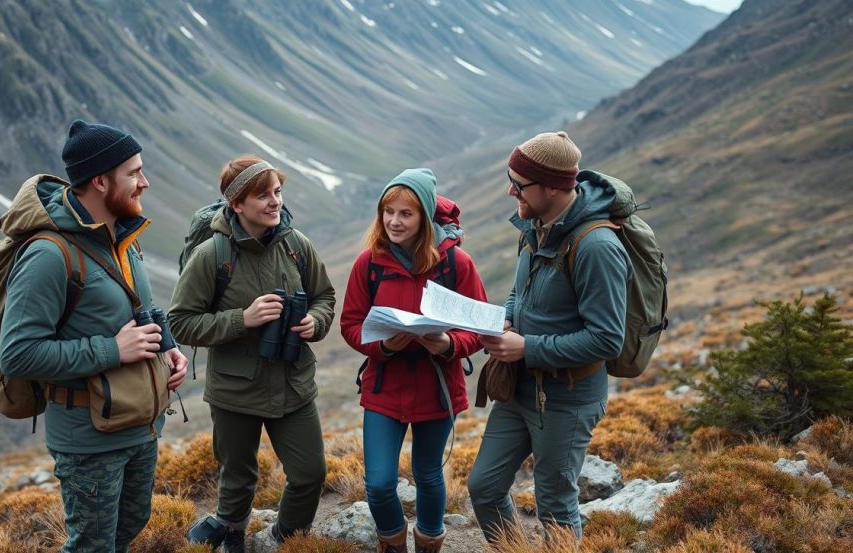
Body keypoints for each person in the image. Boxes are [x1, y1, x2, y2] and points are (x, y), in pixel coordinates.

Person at [0, 119, 188, 553]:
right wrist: (113, 349)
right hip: (89, 439)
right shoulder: (49, 254)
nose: (145, 182)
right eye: (134, 172)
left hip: (140, 423)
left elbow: (141, 309)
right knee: (92, 546)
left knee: (128, 528)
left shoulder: (122, 237)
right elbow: (18, 355)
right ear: (100, 181)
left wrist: (169, 348)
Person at [467, 131, 631, 540]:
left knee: (556, 503)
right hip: (520, 386)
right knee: (484, 487)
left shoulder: (597, 246)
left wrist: (527, 347)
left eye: (519, 185)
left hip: (568, 396)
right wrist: (507, 318)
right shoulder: (533, 225)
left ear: (554, 186)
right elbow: (519, 290)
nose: (510, 192)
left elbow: (607, 339)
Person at [169, 156, 336, 553]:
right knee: (238, 476)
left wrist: (315, 321)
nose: (274, 202)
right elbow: (181, 322)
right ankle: (233, 533)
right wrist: (242, 319)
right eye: (262, 195)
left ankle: (283, 538)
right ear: (237, 204)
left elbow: (325, 297)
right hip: (235, 390)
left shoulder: (297, 246)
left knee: (310, 473)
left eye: (277, 192)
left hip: (293, 383)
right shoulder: (212, 254)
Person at [340, 168, 486, 553]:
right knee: (379, 483)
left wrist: (447, 344)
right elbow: (351, 324)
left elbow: (480, 327)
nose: (394, 221)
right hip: (384, 386)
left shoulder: (457, 265)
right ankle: (392, 544)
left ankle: (428, 545)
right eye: (388, 212)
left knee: (428, 474)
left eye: (405, 213)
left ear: (423, 216)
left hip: (436, 387)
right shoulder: (368, 263)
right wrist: (384, 347)